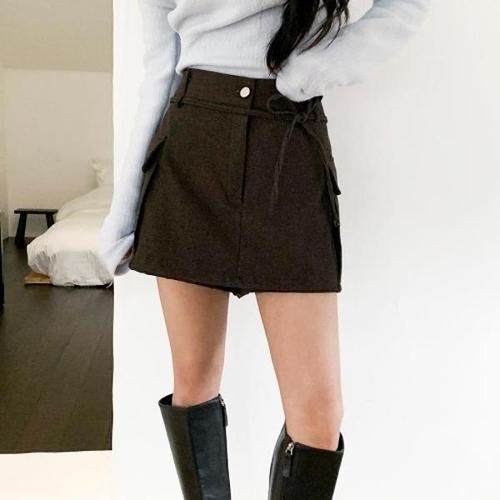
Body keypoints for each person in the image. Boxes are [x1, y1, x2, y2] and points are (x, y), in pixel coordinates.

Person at [100, 1, 430, 498]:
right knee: (194, 382)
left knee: (318, 416)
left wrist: (320, 68)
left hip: (289, 144)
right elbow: (157, 73)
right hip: (191, 147)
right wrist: (124, 208)